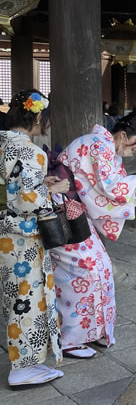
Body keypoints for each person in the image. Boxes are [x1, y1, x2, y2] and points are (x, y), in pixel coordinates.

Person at [48, 116, 136, 358]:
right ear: (123, 135)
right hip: (63, 212)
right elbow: (115, 190)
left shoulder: (106, 149)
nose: (135, 151)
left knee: (100, 267)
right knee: (86, 268)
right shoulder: (97, 145)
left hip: (74, 212)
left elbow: (120, 190)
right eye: (135, 145)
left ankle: (93, 331)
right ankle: (70, 338)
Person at [1, 89, 69, 386]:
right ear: (37, 115)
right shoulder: (29, 150)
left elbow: (14, 185)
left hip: (7, 234)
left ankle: (27, 361)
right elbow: (26, 199)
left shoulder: (4, 141)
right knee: (28, 298)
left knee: (16, 296)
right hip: (23, 237)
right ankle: (23, 367)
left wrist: (42, 181)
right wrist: (53, 190)